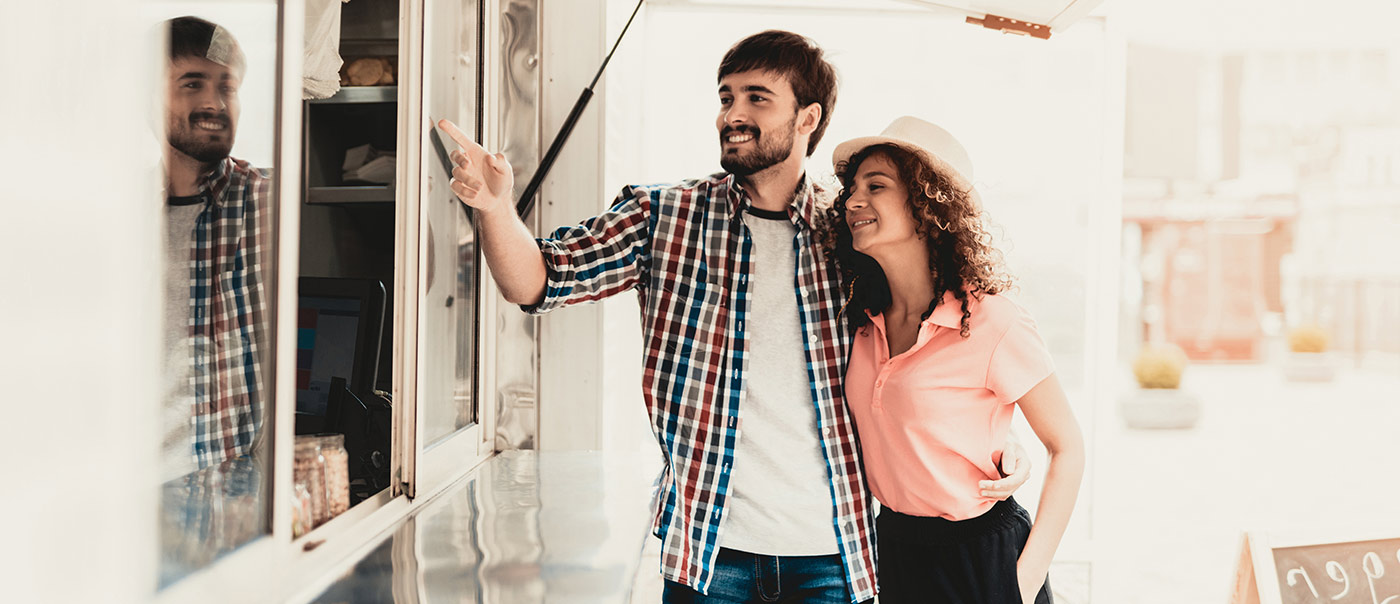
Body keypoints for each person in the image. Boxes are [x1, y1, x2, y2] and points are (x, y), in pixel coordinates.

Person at [438, 31, 1030, 604]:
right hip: (708, 554)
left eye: (756, 98)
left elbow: (929, 348)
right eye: (726, 97)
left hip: (836, 554)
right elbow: (539, 280)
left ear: (808, 120)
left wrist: (997, 445)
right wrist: (494, 209)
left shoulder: (851, 232)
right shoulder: (661, 216)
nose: (732, 114)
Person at [824, 116, 1085, 603]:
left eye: (875, 186)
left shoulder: (993, 320)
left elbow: (1068, 447)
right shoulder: (859, 319)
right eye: (851, 189)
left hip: (982, 559)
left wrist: (1021, 585)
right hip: (894, 550)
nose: (853, 201)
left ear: (926, 204)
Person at [160, 16, 270, 482]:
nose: (213, 101)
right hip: (124, 498)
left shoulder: (267, 200)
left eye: (227, 86)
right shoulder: (113, 215)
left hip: (226, 492)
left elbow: (413, 271)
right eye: (192, 83)